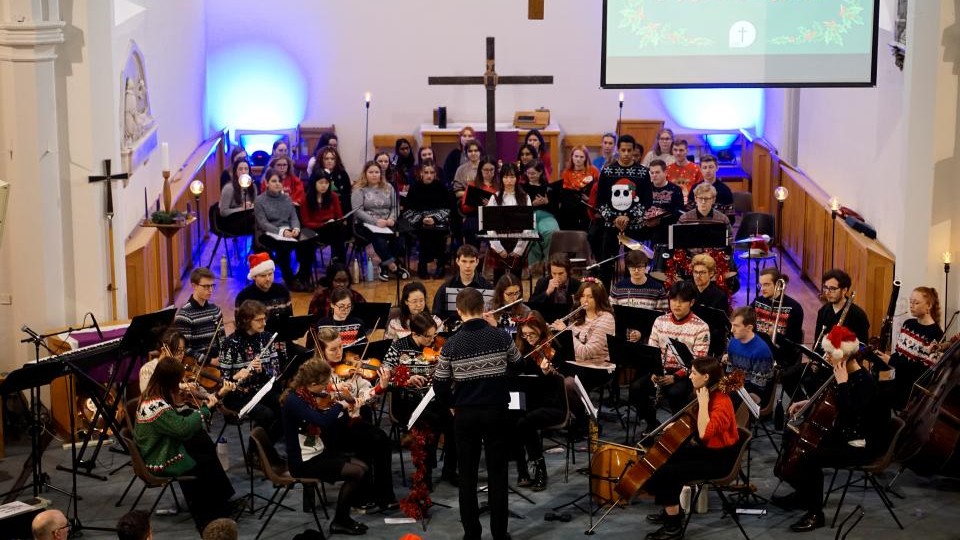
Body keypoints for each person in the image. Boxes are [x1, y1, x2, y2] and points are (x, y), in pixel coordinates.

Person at [773, 326, 890, 533]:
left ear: (843, 355)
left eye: (829, 353)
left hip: (860, 444)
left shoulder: (864, 382)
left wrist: (843, 384)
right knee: (793, 434)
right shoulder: (841, 374)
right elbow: (834, 403)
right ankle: (803, 495)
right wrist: (808, 402)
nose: (826, 357)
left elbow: (852, 414)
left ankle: (815, 513)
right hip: (845, 433)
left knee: (811, 456)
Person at [433, 287, 522, 540]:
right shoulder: (501, 337)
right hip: (496, 413)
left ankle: (472, 534)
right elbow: (518, 365)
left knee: (468, 477)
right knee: (497, 474)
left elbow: (439, 383)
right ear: (483, 310)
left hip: (466, 416)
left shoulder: (451, 344)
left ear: (459, 311)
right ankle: (499, 534)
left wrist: (452, 404)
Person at [641, 357, 739, 540]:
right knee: (664, 458)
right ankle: (672, 510)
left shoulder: (721, 403)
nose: (690, 376)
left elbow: (704, 433)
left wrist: (702, 403)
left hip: (719, 460)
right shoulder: (707, 392)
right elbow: (696, 423)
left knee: (666, 472)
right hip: (706, 451)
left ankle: (673, 527)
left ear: (706, 376)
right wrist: (677, 426)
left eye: (694, 373)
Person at [135, 358, 236, 532]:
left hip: (163, 444)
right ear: (170, 381)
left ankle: (221, 501)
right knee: (201, 458)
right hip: (160, 456)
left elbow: (178, 424)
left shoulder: (154, 393)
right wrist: (206, 409)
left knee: (202, 441)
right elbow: (182, 428)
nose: (181, 385)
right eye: (178, 381)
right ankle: (207, 514)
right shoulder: (155, 406)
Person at [281, 358, 371, 535]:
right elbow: (321, 422)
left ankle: (343, 517)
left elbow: (325, 419)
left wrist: (348, 410)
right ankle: (340, 520)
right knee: (357, 472)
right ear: (312, 383)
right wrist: (340, 405)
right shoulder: (295, 401)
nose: (326, 388)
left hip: (316, 451)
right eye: (324, 384)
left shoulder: (306, 395)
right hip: (303, 461)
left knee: (363, 466)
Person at [376, 312, 458, 488]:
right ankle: (424, 473)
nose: (433, 340)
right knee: (430, 421)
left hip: (434, 399)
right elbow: (382, 379)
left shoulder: (439, 347)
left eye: (434, 335)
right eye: (428, 336)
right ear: (415, 334)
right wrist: (405, 381)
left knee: (455, 422)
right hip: (406, 402)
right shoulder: (398, 347)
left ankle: (450, 470)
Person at [633, 281, 711, 431]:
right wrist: (654, 372)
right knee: (636, 388)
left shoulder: (701, 327)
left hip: (686, 375)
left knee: (676, 393)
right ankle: (652, 424)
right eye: (674, 300)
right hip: (660, 370)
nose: (677, 305)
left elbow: (698, 361)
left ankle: (678, 430)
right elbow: (651, 350)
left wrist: (676, 376)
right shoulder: (660, 321)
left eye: (682, 301)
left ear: (692, 302)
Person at [550, 279, 616, 427]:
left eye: (590, 297)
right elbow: (568, 349)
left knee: (567, 383)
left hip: (597, 367)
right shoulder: (577, 315)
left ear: (599, 298)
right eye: (582, 296)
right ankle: (560, 417)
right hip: (576, 362)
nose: (585, 300)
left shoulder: (606, 319)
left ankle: (585, 421)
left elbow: (586, 352)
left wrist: (566, 332)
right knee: (550, 373)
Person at [219, 300, 287, 440]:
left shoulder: (267, 338)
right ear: (245, 320)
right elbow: (223, 381)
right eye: (259, 320)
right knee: (266, 415)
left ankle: (265, 448)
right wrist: (236, 377)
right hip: (238, 394)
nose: (264, 323)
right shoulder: (229, 344)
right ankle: (256, 450)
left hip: (262, 389)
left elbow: (276, 372)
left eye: (264, 319)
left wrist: (262, 370)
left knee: (287, 406)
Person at [512, 311, 565, 491]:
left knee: (525, 422)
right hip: (529, 403)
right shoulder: (522, 350)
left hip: (552, 405)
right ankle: (523, 470)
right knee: (514, 419)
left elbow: (558, 382)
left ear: (541, 331)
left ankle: (539, 469)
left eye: (532, 334)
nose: (528, 338)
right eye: (525, 335)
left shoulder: (553, 349)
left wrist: (545, 374)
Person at [594, 134, 652, 287]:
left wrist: (628, 217)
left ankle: (632, 295)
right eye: (623, 150)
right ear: (618, 150)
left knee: (634, 264)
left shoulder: (643, 172)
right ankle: (604, 298)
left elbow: (646, 201)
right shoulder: (607, 171)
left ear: (634, 151)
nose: (626, 154)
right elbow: (601, 201)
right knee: (606, 265)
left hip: (634, 227)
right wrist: (614, 218)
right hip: (610, 226)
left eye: (629, 150)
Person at [874, 286, 944, 410]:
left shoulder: (936, 333)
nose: (911, 305)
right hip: (895, 376)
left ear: (929, 306)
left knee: (881, 397)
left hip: (910, 386)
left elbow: (923, 371)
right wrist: (880, 358)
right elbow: (899, 353)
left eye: (916, 303)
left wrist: (891, 361)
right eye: (910, 302)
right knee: (873, 381)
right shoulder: (908, 324)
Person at [254, 166, 317, 291]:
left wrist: (296, 229)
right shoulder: (259, 200)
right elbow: (263, 223)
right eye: (273, 181)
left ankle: (303, 277)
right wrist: (282, 232)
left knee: (309, 240)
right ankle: (290, 279)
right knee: (283, 246)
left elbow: (293, 217)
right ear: (266, 183)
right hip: (269, 232)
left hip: (288, 230)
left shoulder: (287, 199)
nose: (277, 184)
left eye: (279, 181)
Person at [351, 160, 410, 281]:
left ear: (380, 174)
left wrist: (391, 219)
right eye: (371, 172)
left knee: (400, 238)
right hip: (366, 224)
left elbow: (395, 206)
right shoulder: (359, 189)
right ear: (365, 173)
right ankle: (393, 266)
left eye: (376, 172)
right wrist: (375, 222)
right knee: (378, 238)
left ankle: (384, 265)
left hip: (387, 222)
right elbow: (357, 211)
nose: (374, 175)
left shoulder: (388, 187)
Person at [403, 159, 452, 279]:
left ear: (435, 174)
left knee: (439, 233)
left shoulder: (441, 187)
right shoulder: (414, 187)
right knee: (424, 232)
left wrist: (435, 218)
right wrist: (422, 219)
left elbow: (447, 208)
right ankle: (422, 264)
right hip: (420, 221)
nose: (429, 175)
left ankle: (440, 265)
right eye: (426, 172)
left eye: (431, 172)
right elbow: (408, 210)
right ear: (421, 173)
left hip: (438, 220)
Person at [485, 163, 532, 282]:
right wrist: (498, 248)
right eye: (505, 177)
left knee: (516, 279)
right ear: (501, 179)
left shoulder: (525, 197)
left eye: (512, 177)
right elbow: (490, 226)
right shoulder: (495, 197)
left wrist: (519, 249)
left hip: (518, 242)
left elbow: (528, 226)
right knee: (498, 279)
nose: (509, 180)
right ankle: (498, 301)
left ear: (517, 178)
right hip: (499, 241)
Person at [432, 244, 493, 328]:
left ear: (477, 262)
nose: (468, 266)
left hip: (478, 331)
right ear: (457, 261)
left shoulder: (487, 287)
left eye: (471, 261)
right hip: (452, 334)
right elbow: (437, 315)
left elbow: (492, 315)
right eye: (464, 261)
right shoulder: (445, 288)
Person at [725, 307, 775, 403]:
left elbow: (758, 389)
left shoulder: (761, 351)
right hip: (738, 386)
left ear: (749, 328)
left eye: (736, 326)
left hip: (755, 393)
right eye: (732, 325)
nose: (732, 330)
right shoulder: (732, 342)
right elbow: (730, 373)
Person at [234, 252, 293, 333]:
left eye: (270, 274)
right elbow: (240, 327)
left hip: (282, 339)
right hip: (256, 342)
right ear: (254, 276)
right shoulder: (243, 297)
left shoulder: (283, 291)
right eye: (263, 276)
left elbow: (290, 320)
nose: (268, 279)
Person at [300, 169, 348, 263]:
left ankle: (338, 262)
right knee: (305, 237)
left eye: (326, 183)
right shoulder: (306, 198)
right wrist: (322, 224)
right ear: (314, 183)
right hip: (314, 229)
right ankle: (337, 261)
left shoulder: (333, 196)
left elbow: (339, 216)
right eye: (321, 182)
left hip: (330, 229)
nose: (324, 186)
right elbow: (306, 222)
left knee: (338, 227)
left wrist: (340, 220)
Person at [174, 267, 223, 360]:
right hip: (197, 365)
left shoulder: (216, 310)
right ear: (194, 286)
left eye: (212, 285)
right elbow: (184, 349)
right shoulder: (184, 315)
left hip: (217, 360)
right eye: (206, 286)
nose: (210, 290)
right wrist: (210, 361)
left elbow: (222, 339)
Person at [523, 160, 560, 273]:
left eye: (533, 173)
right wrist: (532, 204)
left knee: (551, 232)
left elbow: (556, 209)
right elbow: (519, 207)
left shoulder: (549, 188)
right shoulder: (522, 188)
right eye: (528, 173)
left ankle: (549, 265)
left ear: (540, 173)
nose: (530, 176)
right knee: (532, 234)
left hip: (546, 215)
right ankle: (535, 267)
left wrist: (547, 202)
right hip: (529, 215)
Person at [460, 155, 498, 249]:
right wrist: (478, 203)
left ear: (495, 170)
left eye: (491, 170)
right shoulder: (473, 185)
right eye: (485, 170)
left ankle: (494, 259)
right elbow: (464, 208)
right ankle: (472, 257)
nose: (488, 173)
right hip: (475, 216)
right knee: (471, 225)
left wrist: (491, 205)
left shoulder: (499, 186)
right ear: (480, 170)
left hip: (493, 218)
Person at [646, 159, 684, 243]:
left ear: (665, 173)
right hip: (648, 231)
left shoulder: (675, 189)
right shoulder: (645, 189)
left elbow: (679, 212)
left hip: (667, 231)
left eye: (657, 172)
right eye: (652, 173)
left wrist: (660, 221)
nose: (654, 175)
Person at [218, 158, 256, 237]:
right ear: (235, 172)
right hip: (232, 221)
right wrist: (242, 209)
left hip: (249, 217)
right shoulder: (229, 188)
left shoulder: (253, 186)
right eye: (240, 169)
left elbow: (256, 205)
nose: (243, 172)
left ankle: (259, 247)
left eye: (246, 169)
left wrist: (252, 206)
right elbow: (223, 212)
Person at [309, 145, 352, 215]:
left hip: (340, 207)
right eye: (326, 159)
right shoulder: (316, 174)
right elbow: (311, 193)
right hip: (320, 208)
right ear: (321, 160)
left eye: (332, 159)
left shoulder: (343, 173)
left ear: (336, 160)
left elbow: (347, 195)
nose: (329, 161)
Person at [443, 125, 476, 190]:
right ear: (460, 138)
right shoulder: (454, 154)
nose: (467, 138)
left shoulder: (479, 154)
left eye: (469, 136)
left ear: (474, 138)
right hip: (458, 186)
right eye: (464, 136)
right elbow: (447, 172)